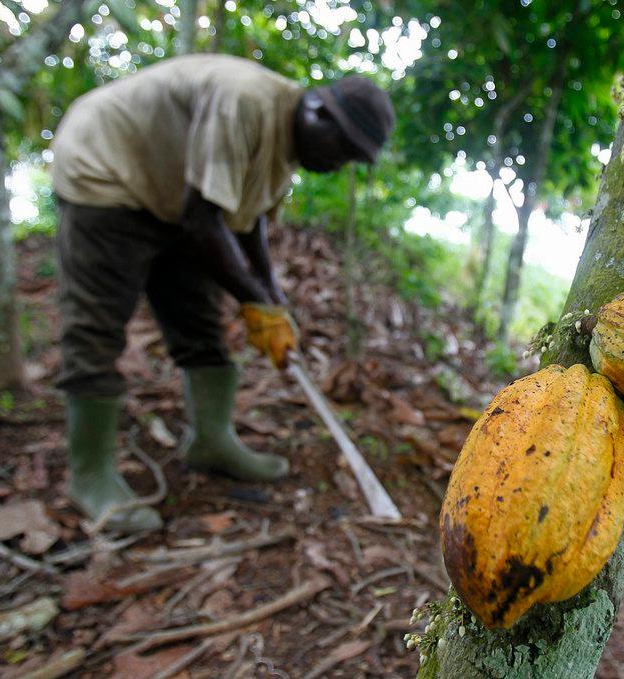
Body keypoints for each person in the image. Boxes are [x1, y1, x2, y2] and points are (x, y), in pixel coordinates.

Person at [50, 54, 395, 532]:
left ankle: (211, 441)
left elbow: (247, 222)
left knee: (199, 323)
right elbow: (204, 220)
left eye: (352, 159)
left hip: (176, 199)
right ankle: (90, 476)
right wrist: (254, 300)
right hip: (107, 170)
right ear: (317, 111)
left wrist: (271, 298)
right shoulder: (246, 102)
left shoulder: (286, 145)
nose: (339, 164)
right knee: (97, 328)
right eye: (343, 149)